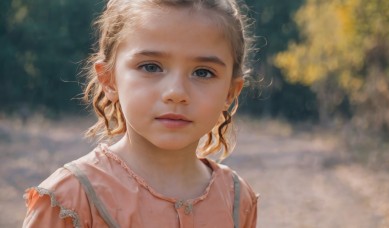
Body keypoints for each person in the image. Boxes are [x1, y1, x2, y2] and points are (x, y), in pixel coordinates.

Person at [23, 0, 258, 227]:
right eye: (151, 67)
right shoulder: (70, 199)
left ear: (230, 91)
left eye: (203, 72)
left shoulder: (237, 199)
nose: (176, 93)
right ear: (109, 79)